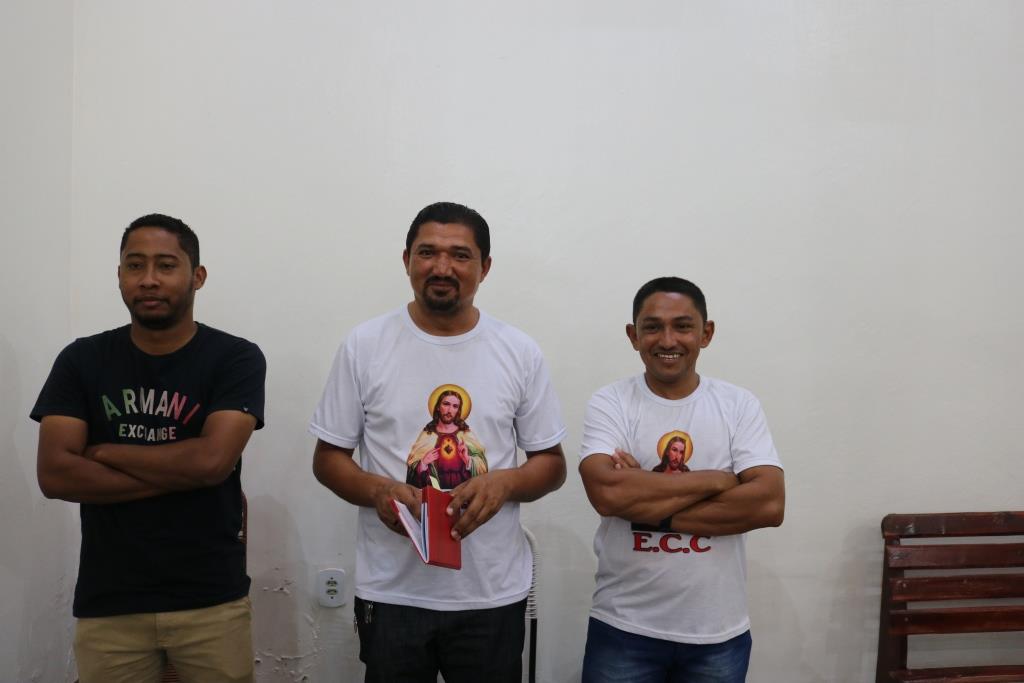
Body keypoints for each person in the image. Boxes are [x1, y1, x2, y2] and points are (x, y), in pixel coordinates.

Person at [310, 201, 566, 683]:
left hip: (490, 591)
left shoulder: (518, 351)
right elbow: (328, 459)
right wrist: (379, 490)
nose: (442, 267)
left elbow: (551, 464)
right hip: (393, 590)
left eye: (460, 255)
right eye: (427, 252)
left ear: (485, 267)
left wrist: (505, 483)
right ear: (406, 259)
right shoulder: (365, 345)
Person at [31, 213, 266, 683]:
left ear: (197, 276)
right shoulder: (81, 359)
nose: (149, 279)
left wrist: (104, 452)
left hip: (211, 601)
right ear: (119, 275)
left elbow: (212, 461)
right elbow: (55, 474)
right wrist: (186, 471)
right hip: (110, 604)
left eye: (166, 265)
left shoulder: (235, 358)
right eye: (135, 265)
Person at [578, 276, 785, 683]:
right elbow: (606, 493)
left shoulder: (738, 405)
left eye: (683, 326)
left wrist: (645, 503)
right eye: (653, 327)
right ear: (633, 335)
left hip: (717, 633)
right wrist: (719, 480)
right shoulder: (611, 402)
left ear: (706, 333)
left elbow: (769, 504)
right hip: (624, 625)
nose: (667, 340)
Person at [406, 386, 488, 489]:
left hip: (463, 491)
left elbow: (483, 468)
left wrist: (468, 459)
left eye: (455, 406)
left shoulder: (465, 434)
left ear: (458, 410)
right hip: (435, 492)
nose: (450, 410)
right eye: (446, 404)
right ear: (438, 407)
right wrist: (423, 463)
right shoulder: (428, 434)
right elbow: (412, 468)